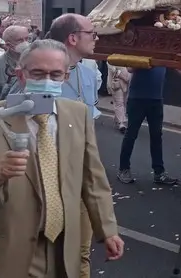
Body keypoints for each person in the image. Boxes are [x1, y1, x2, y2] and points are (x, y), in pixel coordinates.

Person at [0, 39, 124, 276]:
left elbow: (93, 178)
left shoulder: (77, 114)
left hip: (62, 249)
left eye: (55, 74)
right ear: (20, 74)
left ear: (66, 76)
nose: (47, 81)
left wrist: (107, 230)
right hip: (6, 252)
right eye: (38, 73)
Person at [46, 14, 104, 277]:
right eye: (92, 33)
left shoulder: (89, 70)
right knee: (49, 248)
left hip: (81, 169)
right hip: (48, 172)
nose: (96, 38)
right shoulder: (43, 71)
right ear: (73, 38)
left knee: (81, 249)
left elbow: (90, 119)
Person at [117, 65, 179, 185]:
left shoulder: (166, 50)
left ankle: (159, 172)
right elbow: (130, 68)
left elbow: (180, 68)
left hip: (156, 99)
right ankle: (123, 169)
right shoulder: (144, 47)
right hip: (137, 98)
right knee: (131, 135)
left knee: (156, 137)